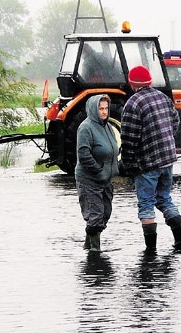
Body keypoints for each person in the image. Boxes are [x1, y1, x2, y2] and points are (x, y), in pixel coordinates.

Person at [120, 65, 181, 251]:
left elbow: (129, 139)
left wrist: (127, 163)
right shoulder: (163, 98)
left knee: (146, 204)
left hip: (147, 164)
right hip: (167, 159)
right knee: (165, 198)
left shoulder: (133, 104)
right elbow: (175, 122)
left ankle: (151, 250)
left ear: (132, 84)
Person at [75, 94, 120, 252]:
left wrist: (116, 166)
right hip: (89, 179)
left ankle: (87, 245)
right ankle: (95, 251)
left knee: (105, 213)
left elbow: (112, 149)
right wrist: (99, 170)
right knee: (95, 215)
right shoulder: (85, 128)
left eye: (106, 108)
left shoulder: (107, 126)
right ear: (94, 109)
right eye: (101, 108)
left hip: (106, 179)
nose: (104, 112)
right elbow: (83, 155)